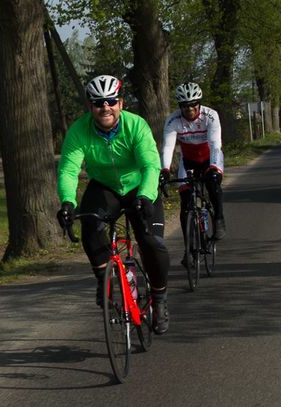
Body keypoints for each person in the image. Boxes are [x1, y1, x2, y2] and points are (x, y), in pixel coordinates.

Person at [56, 75, 170, 335]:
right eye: (98, 103)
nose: (104, 107)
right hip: (105, 187)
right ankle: (102, 280)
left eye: (110, 101)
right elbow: (68, 170)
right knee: (90, 223)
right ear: (90, 106)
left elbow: (150, 165)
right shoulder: (79, 131)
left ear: (120, 103)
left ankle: (160, 299)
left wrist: (146, 196)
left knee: (151, 243)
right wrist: (67, 202)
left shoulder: (136, 126)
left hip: (139, 186)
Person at [159, 82, 226, 266]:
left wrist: (214, 168)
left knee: (213, 184)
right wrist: (164, 170)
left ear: (199, 103)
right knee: (186, 203)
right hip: (188, 161)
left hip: (209, 157)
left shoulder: (210, 116)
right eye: (185, 106)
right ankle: (188, 250)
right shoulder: (173, 120)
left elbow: (215, 144)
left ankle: (219, 218)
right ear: (180, 106)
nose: (189, 109)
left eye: (193, 105)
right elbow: (168, 147)